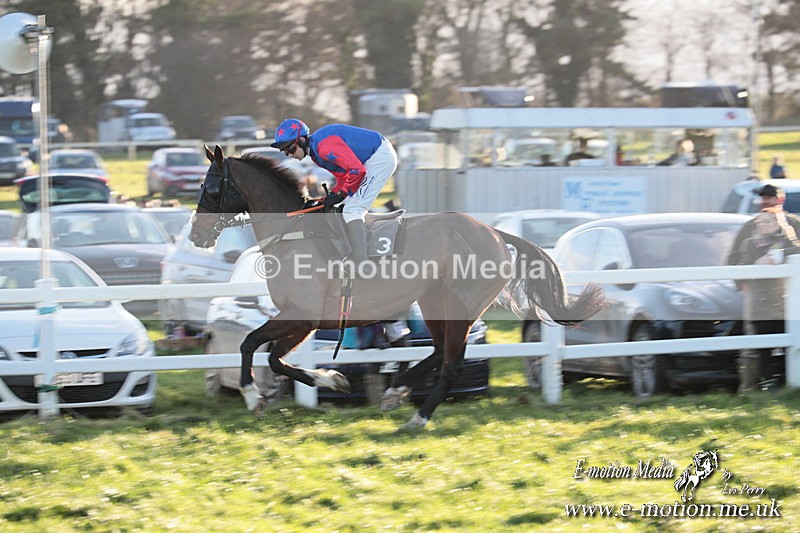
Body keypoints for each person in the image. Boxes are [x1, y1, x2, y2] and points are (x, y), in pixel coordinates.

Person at [270, 118, 398, 272]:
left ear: (302, 140)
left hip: (379, 158)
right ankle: (348, 252)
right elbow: (344, 177)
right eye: (285, 152)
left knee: (353, 210)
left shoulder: (324, 148)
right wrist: (333, 196)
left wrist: (341, 193)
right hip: (369, 159)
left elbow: (358, 171)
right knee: (340, 207)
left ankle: (362, 262)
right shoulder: (316, 154)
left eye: (290, 149)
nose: (289, 155)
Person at [727, 184, 800, 391]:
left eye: (770, 197)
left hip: (790, 294)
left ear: (780, 199)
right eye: (763, 198)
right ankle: (750, 388)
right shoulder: (750, 227)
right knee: (755, 344)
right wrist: (743, 284)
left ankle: (790, 385)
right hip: (758, 294)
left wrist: (779, 256)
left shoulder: (793, 224)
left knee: (794, 339)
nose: (766, 201)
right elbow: (734, 259)